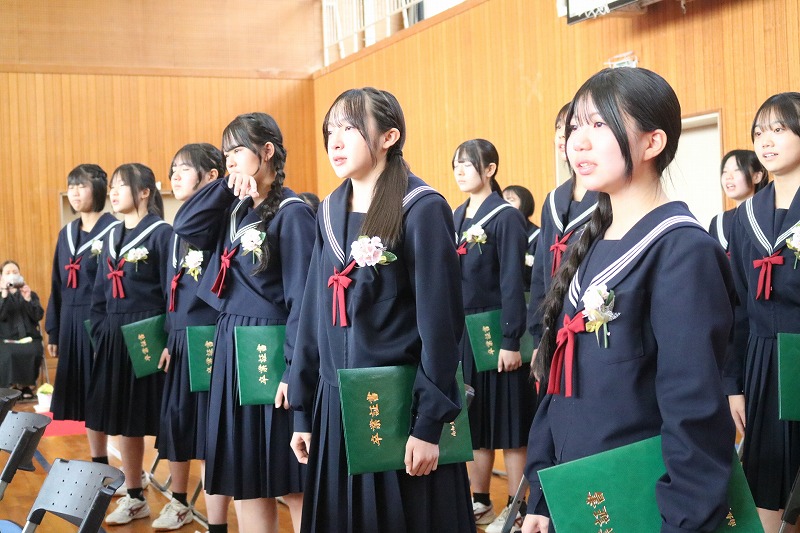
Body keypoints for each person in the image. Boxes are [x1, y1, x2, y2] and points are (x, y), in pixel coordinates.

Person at [521, 68, 736, 533]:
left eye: (599, 124)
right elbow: (557, 388)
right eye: (575, 126)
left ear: (652, 142)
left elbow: (694, 414)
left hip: (638, 502)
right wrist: (542, 493)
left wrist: (683, 522)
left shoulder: (683, 251)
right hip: (579, 495)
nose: (578, 142)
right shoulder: (589, 243)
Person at [288, 87, 475, 533]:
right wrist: (303, 409)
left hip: (398, 406)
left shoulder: (421, 207)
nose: (335, 141)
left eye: (350, 128)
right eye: (330, 130)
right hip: (336, 404)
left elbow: (441, 325)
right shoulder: (328, 210)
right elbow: (314, 314)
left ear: (389, 136)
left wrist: (428, 424)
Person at [173, 113, 314, 533]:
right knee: (247, 477)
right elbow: (184, 224)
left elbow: (304, 302)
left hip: (271, 349)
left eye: (237, 151)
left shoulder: (293, 212)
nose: (230, 160)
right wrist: (223, 186)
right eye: (226, 154)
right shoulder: (233, 210)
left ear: (266, 151)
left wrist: (293, 370)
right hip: (232, 346)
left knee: (291, 479)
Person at [725, 92, 800, 533]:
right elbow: (736, 306)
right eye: (759, 132)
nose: (766, 141)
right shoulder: (745, 215)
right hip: (762, 362)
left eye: (779, 129)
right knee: (768, 484)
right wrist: (733, 384)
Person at [453, 141, 535, 532]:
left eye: (467, 164)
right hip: (465, 334)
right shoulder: (456, 215)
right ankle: (481, 500)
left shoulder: (506, 217)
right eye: (456, 164)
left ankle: (518, 508)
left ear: (490, 169)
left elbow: (512, 282)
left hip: (497, 331)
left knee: (511, 426)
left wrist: (510, 341)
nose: (460, 170)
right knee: (477, 420)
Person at [85, 163, 171, 525]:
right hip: (114, 338)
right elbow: (99, 292)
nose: (114, 192)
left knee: (167, 420)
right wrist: (101, 331)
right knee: (125, 421)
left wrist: (169, 339)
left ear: (145, 192)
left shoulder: (162, 233)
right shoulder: (110, 235)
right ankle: (135, 495)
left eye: (122, 185)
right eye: (113, 187)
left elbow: (172, 292)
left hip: (150, 337)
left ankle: (180, 498)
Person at [151, 144, 226, 531]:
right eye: (172, 170)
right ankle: (179, 502)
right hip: (180, 341)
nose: (174, 176)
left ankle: (217, 522)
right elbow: (171, 291)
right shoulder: (177, 230)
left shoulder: (217, 222)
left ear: (211, 176)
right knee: (177, 426)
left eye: (184, 169)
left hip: (209, 340)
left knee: (210, 436)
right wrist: (169, 338)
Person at [45, 164, 119, 456]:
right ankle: (99, 460)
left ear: (98, 189)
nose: (75, 193)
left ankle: (131, 467)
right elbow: (57, 283)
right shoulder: (67, 232)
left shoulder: (115, 230)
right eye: (71, 187)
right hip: (70, 322)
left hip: (100, 321)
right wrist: (53, 330)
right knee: (86, 396)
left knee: (105, 393)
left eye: (82, 186)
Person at [527, 104, 599, 362]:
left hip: (592, 323)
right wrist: (538, 337)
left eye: (572, 127)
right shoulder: (553, 200)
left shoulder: (609, 196)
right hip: (554, 323)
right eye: (560, 128)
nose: (562, 135)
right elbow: (540, 272)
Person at [0, 260, 44, 398]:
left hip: (29, 338)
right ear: (1, 276)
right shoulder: (1, 295)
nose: (12, 274)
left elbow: (38, 316)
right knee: (8, 353)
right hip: (6, 340)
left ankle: (26, 387)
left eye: (15, 272)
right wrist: (4, 295)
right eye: (8, 272)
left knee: (34, 350)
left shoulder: (30, 293)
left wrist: (28, 299)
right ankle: (10, 387)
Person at [708, 150, 767, 252]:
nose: (728, 177)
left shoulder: (768, 217)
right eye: (725, 171)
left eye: (737, 170)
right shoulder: (719, 222)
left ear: (757, 177)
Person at [503, 185, 539, 284]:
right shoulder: (498, 231)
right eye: (503, 200)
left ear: (524, 203)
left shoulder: (538, 236)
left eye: (511, 200)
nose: (504, 203)